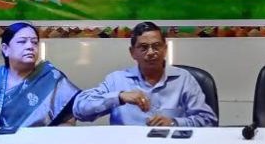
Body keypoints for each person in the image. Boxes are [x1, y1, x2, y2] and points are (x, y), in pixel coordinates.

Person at [73, 21, 218, 127]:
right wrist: (119, 97)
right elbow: (80, 109)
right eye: (143, 47)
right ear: (132, 53)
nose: (151, 52)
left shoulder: (183, 79)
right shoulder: (117, 80)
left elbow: (209, 120)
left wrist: (174, 123)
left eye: (156, 46)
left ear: (165, 49)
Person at [0, 22, 80, 128]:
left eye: (34, 42)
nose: (30, 47)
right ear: (5, 49)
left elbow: (68, 119)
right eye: (22, 42)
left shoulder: (52, 78)